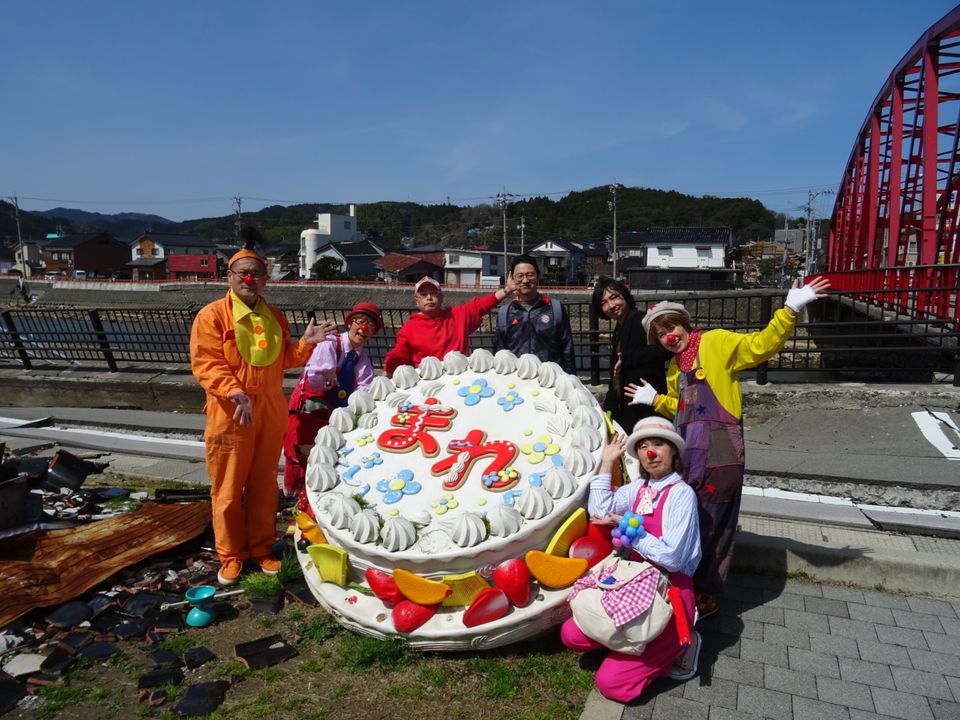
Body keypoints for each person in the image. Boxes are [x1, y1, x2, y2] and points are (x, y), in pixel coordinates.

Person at [625, 277, 831, 617]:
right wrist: (657, 399)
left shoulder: (716, 341)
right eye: (661, 334)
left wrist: (789, 309)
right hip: (688, 455)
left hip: (721, 454)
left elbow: (761, 345)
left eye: (671, 327)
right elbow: (681, 408)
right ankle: (681, 586)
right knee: (684, 520)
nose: (669, 336)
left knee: (714, 523)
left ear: (683, 323)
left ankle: (704, 595)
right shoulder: (676, 366)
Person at [190, 229, 337, 586]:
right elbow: (206, 362)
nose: (250, 280)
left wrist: (306, 344)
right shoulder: (212, 317)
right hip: (231, 414)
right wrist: (233, 391)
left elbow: (281, 358)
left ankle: (260, 548)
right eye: (243, 273)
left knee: (263, 486)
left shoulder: (275, 316)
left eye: (257, 274)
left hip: (270, 411)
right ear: (229, 277)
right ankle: (230, 554)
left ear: (266, 280)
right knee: (226, 490)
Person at [562, 415, 701, 703]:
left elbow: (672, 558)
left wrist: (630, 529)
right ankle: (629, 643)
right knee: (572, 634)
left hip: (668, 595)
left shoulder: (682, 495)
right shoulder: (638, 489)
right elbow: (599, 511)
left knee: (611, 685)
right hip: (630, 584)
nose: (650, 453)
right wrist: (607, 462)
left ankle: (683, 645)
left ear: (673, 450)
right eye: (643, 446)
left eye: (659, 444)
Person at [283, 301, 383, 499]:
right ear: (350, 324)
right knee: (299, 456)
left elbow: (364, 388)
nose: (363, 328)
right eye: (360, 321)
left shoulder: (362, 359)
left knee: (325, 459)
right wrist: (326, 375)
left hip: (334, 415)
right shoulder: (330, 342)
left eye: (369, 325)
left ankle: (317, 500)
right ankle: (296, 500)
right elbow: (315, 377)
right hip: (310, 411)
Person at [382, 275, 518, 377]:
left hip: (459, 376)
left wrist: (508, 289)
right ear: (417, 301)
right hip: (427, 380)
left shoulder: (457, 315)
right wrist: (386, 375)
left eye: (434, 293)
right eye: (423, 295)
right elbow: (398, 356)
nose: (429, 297)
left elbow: (481, 305)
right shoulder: (408, 328)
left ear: (441, 297)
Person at [591, 277, 669, 431]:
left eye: (614, 297)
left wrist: (627, 358)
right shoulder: (620, 328)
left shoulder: (642, 320)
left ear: (624, 296)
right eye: (604, 303)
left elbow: (665, 349)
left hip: (645, 401)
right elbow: (616, 372)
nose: (611, 305)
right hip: (629, 400)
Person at [493, 254, 575, 371]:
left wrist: (570, 378)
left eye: (530, 275)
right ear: (512, 278)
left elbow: (567, 348)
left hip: (550, 378)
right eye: (520, 276)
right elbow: (499, 353)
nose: (525, 280)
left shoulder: (554, 308)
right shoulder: (505, 313)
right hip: (517, 380)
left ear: (538, 276)